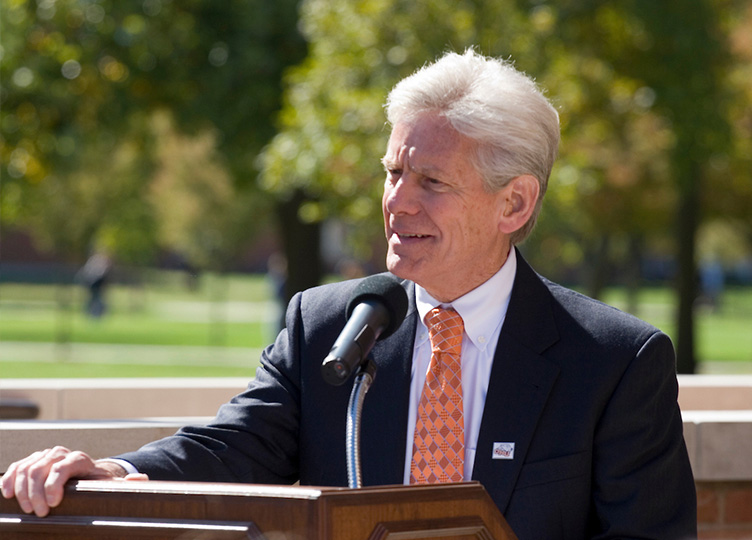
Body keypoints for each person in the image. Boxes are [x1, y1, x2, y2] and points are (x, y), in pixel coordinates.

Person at [2, 49, 696, 539]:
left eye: (431, 183)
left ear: (514, 203)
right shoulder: (332, 325)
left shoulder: (613, 363)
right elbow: (234, 446)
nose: (397, 203)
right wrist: (116, 471)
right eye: (392, 173)